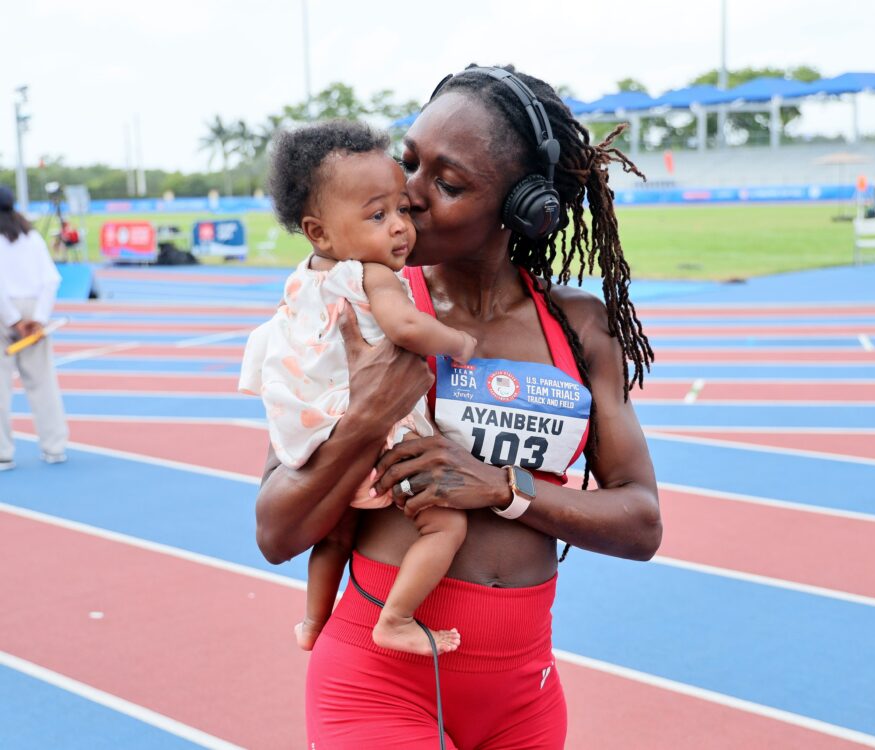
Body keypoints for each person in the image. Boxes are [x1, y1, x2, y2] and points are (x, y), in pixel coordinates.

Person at [254, 65, 661, 750]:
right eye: (407, 161)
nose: (406, 197)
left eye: (446, 184)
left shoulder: (579, 329)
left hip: (523, 694)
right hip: (378, 677)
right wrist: (367, 417)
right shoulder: (350, 308)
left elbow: (641, 521)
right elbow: (276, 530)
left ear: (524, 207)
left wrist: (504, 489)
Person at [239, 121, 477, 656]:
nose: (399, 228)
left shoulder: (302, 277)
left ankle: (311, 622)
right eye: (377, 215)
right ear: (320, 231)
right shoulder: (373, 274)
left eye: (401, 209)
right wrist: (459, 342)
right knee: (445, 526)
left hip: (321, 426)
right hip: (384, 427)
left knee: (335, 535)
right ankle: (396, 618)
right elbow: (407, 329)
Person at [0, 185, 69, 470]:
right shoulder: (32, 236)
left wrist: (14, 319)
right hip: (33, 311)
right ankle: (55, 447)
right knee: (43, 383)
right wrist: (38, 318)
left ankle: (3, 453)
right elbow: (51, 280)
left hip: (5, 311)